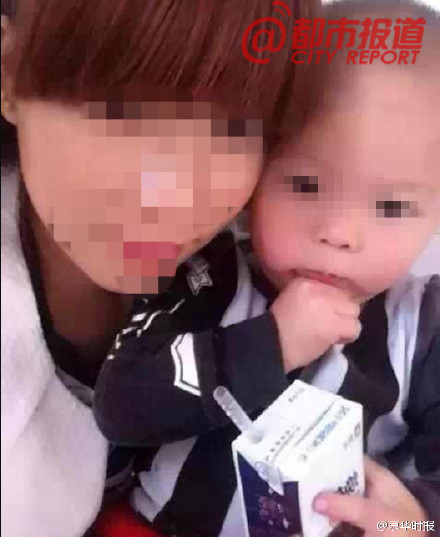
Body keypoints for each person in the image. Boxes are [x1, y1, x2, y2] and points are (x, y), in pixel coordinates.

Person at [93, 1, 440, 536]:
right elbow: (119, 405)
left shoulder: (424, 330)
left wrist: (415, 524)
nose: (340, 232)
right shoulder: (206, 276)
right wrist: (268, 344)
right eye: (304, 185)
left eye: (392, 206)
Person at [0, 0, 313, 535]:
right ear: (8, 72)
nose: (172, 196)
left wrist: (413, 523)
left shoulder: (267, 263)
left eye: (232, 130)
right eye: (122, 114)